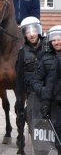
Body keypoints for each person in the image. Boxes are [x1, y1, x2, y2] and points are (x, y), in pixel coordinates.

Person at [15, 17, 47, 155]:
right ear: (24, 34)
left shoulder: (49, 47)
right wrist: (19, 100)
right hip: (33, 94)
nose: (32, 34)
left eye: (34, 31)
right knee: (34, 124)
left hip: (50, 93)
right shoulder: (22, 52)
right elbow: (19, 78)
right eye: (28, 32)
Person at [33, 25, 61, 155]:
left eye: (59, 39)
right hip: (50, 103)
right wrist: (43, 91)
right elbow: (36, 80)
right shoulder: (45, 58)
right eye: (54, 40)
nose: (57, 42)